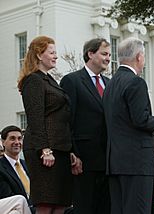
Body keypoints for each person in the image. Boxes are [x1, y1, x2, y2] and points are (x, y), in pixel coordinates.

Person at [103, 37, 154, 214]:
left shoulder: (110, 84)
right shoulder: (136, 81)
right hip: (136, 162)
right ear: (138, 57)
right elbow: (140, 119)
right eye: (143, 56)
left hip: (116, 161)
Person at [17, 36, 78, 214]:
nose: (55, 56)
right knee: (46, 202)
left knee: (60, 202)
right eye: (51, 52)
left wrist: (70, 150)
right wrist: (44, 149)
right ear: (38, 54)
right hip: (44, 150)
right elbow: (35, 118)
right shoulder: (33, 80)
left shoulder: (49, 80)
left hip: (60, 149)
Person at [60, 38, 111, 214]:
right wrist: (73, 153)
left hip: (109, 161)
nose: (108, 58)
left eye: (109, 55)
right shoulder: (71, 81)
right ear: (90, 54)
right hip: (84, 161)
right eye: (104, 54)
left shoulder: (110, 83)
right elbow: (66, 120)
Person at [0, 125, 33, 212]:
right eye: (12, 138)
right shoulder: (1, 168)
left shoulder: (28, 165)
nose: (17, 142)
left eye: (19, 138)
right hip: (18, 208)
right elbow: (8, 196)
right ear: (3, 142)